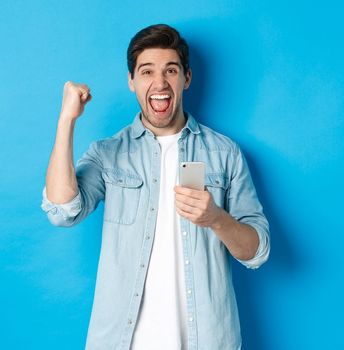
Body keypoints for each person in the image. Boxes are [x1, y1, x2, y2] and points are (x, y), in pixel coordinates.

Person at [41, 24, 270, 349]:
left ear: (186, 78)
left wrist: (216, 219)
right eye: (147, 71)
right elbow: (62, 211)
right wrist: (67, 120)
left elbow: (257, 252)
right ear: (132, 81)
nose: (160, 83)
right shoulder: (109, 153)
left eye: (171, 70)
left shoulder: (225, 153)